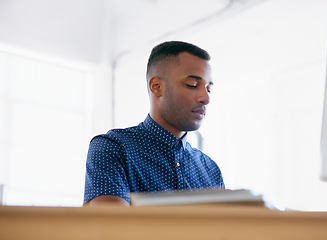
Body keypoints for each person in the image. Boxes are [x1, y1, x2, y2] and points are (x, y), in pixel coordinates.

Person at [84, 41, 224, 206]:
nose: (206, 98)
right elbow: (110, 227)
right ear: (156, 87)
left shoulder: (211, 170)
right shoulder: (113, 148)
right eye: (192, 85)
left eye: (208, 89)